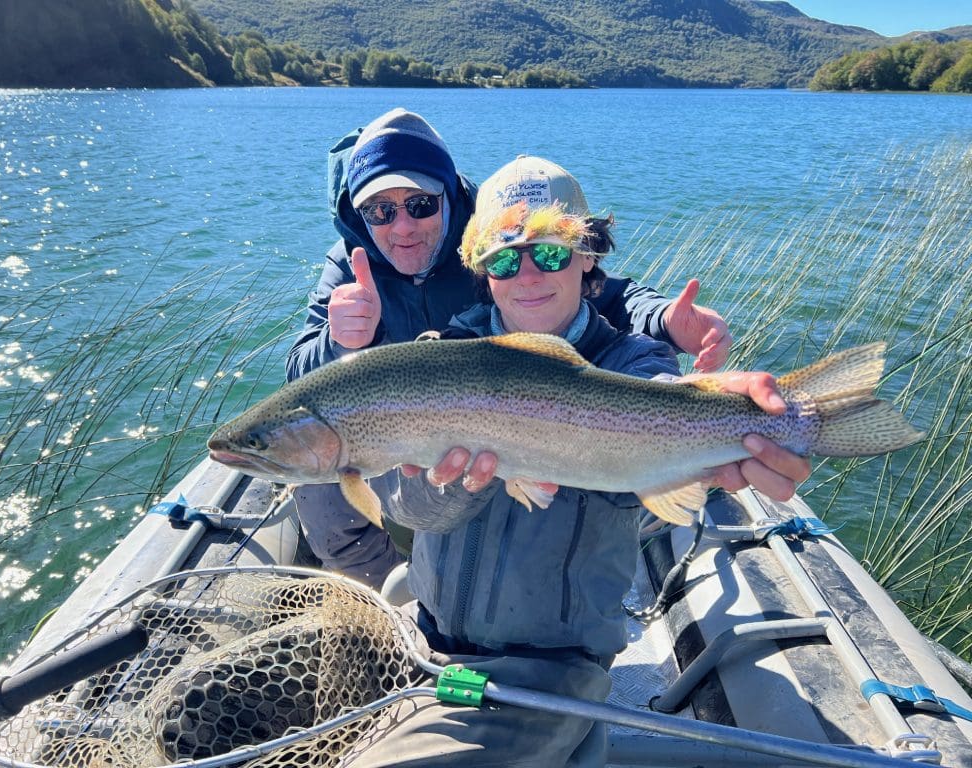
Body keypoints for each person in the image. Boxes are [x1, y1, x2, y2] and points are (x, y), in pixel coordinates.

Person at [341, 156, 811, 767]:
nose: (528, 274)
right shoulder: (438, 362)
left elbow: (659, 424)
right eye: (506, 259)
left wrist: (747, 428)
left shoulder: (634, 366)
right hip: (421, 636)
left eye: (552, 253)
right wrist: (454, 486)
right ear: (484, 273)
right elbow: (406, 508)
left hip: (550, 672)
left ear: (588, 256)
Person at [285, 108, 733, 587]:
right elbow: (303, 376)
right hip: (406, 419)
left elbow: (607, 290)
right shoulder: (350, 265)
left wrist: (664, 318)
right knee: (325, 489)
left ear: (448, 198)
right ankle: (383, 587)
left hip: (507, 402)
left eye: (419, 204)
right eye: (380, 210)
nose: (402, 227)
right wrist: (341, 341)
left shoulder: (495, 225)